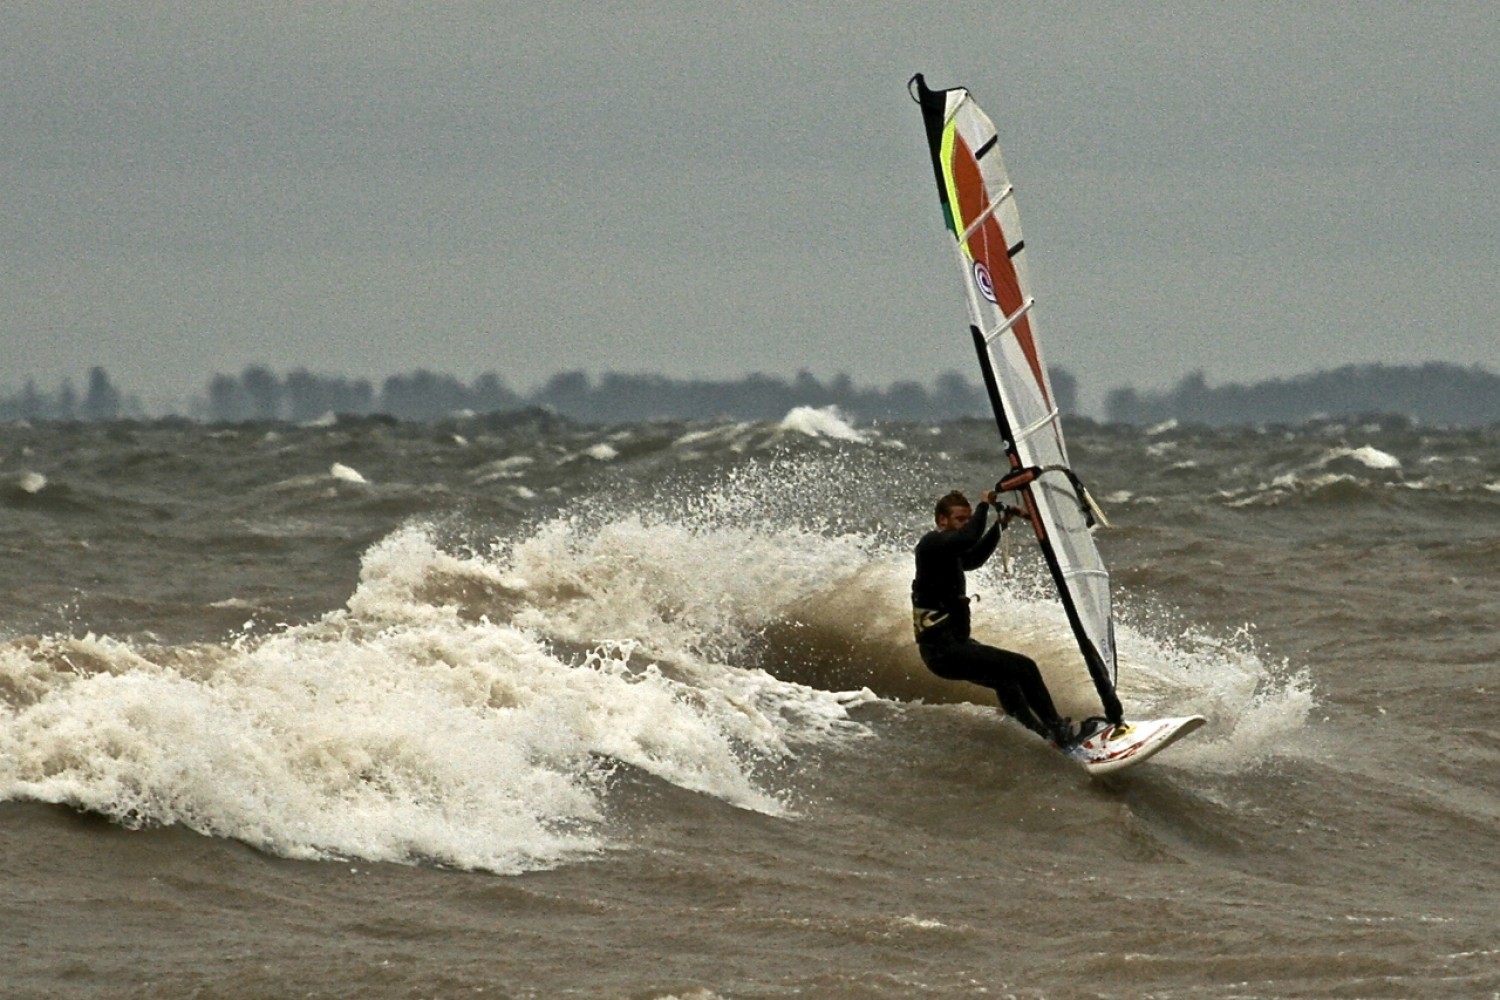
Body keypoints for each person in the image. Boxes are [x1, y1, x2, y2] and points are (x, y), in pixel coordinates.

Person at [912, 488, 1077, 747]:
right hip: (943, 650)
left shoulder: (948, 554)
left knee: (1006, 680)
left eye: (967, 519)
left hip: (954, 647)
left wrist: (1001, 525)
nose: (965, 524)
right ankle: (1058, 729)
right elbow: (968, 538)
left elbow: (974, 557)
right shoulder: (931, 545)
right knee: (1025, 667)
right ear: (942, 520)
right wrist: (984, 506)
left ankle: (1039, 735)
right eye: (960, 519)